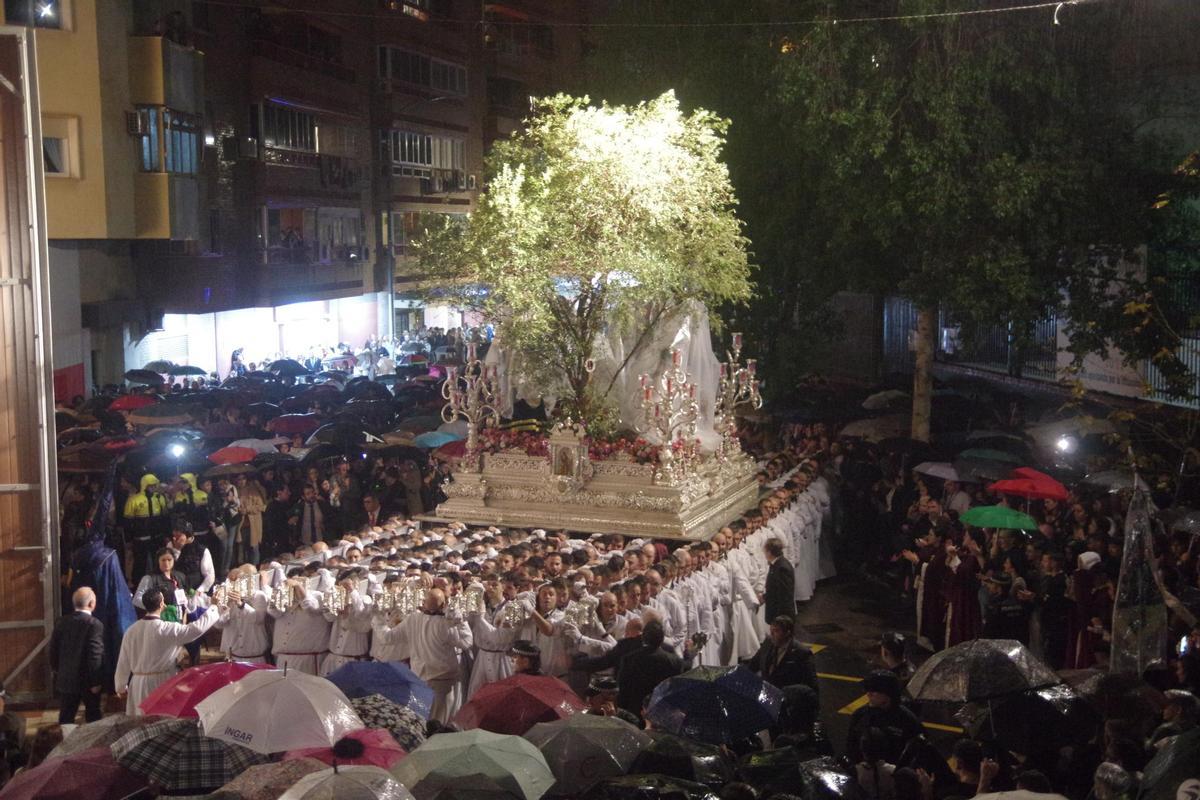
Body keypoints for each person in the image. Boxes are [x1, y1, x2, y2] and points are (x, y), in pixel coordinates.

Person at [373, 588, 473, 723]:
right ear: (444, 605)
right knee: (437, 723)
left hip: (419, 679)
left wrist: (378, 619)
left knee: (419, 719)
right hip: (441, 682)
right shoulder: (445, 624)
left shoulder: (413, 619)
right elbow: (467, 642)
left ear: (424, 602)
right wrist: (461, 621)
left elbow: (387, 638)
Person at [114, 589, 219, 715]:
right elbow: (196, 629)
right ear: (161, 604)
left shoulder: (131, 630)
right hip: (161, 683)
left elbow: (123, 661)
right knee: (160, 720)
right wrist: (213, 608)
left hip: (137, 684)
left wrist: (120, 686)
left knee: (140, 720)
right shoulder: (166, 629)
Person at [48, 587, 105, 724]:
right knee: (93, 718)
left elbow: (53, 649)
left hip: (66, 678)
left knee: (66, 718)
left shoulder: (61, 622)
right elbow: (95, 654)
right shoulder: (94, 624)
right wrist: (96, 681)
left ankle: (66, 738)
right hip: (88, 682)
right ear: (92, 603)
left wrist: (58, 671)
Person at [844, 671, 924, 764]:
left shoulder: (908, 721)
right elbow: (851, 745)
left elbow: (918, 754)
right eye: (867, 690)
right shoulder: (860, 714)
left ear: (888, 694)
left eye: (873, 691)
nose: (868, 694)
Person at [615, 618, 683, 719]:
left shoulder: (629, 659)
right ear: (662, 638)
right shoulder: (675, 662)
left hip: (634, 714)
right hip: (663, 714)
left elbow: (623, 691)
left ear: (643, 637)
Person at [746, 615, 818, 695]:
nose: (772, 634)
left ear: (787, 633)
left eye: (776, 631)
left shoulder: (802, 653)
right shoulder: (768, 642)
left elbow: (811, 686)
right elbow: (753, 665)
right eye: (771, 630)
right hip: (765, 695)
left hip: (786, 698)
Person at [762, 538, 795, 623]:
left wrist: (779, 619)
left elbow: (784, 596)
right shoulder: (776, 564)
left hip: (781, 615)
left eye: (765, 551)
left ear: (769, 552)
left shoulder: (782, 568)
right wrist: (764, 597)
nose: (764, 554)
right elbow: (774, 589)